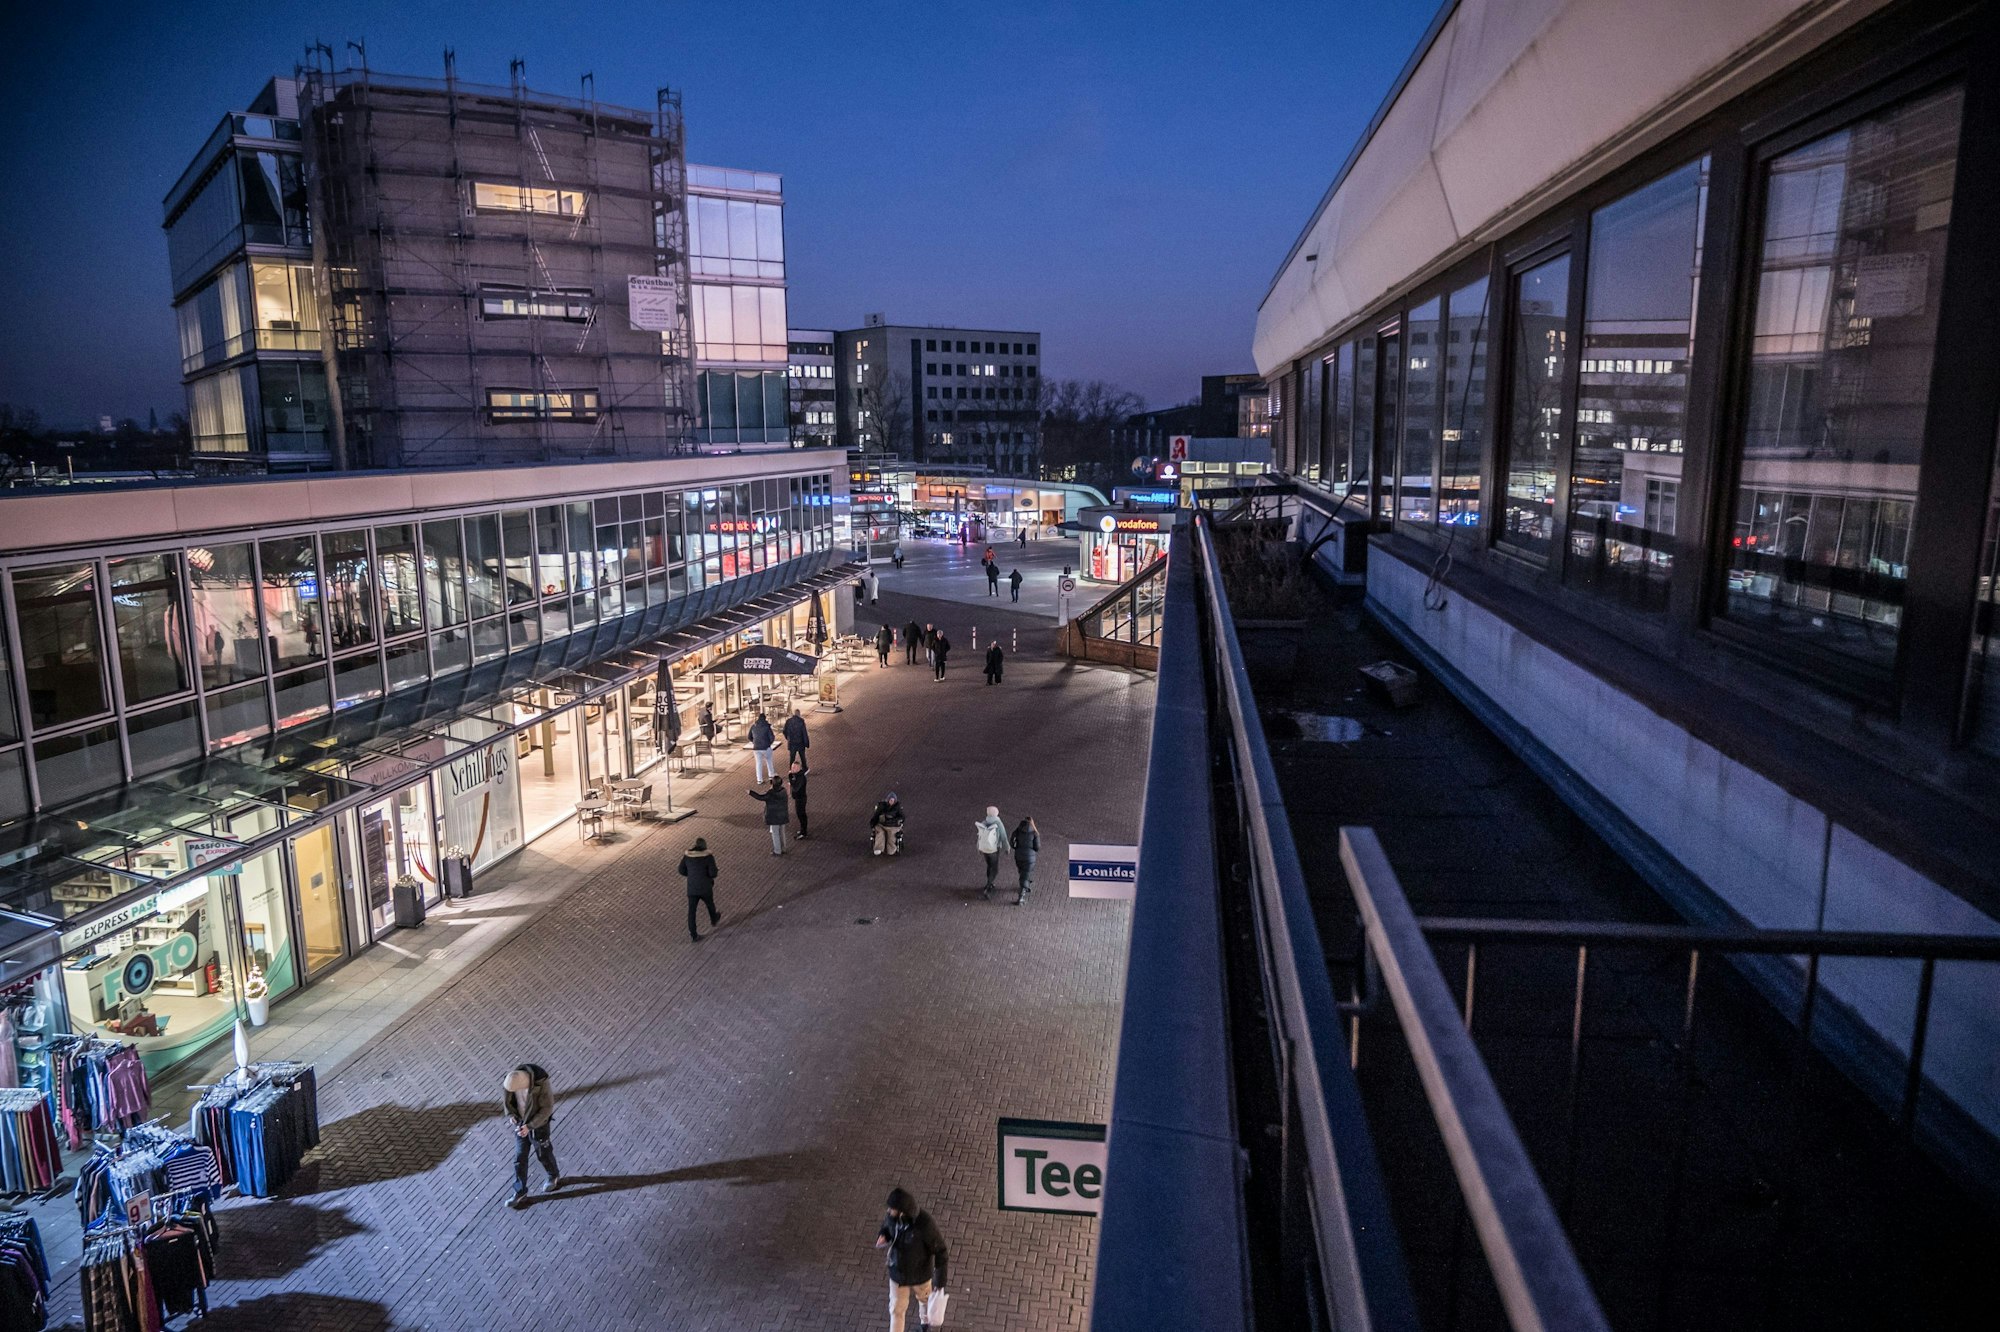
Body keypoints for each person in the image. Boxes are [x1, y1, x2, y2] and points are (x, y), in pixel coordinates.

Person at [876, 1187, 949, 1332]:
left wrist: (939, 1283)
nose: (889, 1211)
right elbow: (886, 1226)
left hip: (920, 1275)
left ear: (902, 1210)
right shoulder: (892, 1217)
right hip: (898, 1274)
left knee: (925, 1302)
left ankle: (925, 1325)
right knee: (896, 1309)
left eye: (892, 1209)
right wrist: (883, 1235)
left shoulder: (925, 1224)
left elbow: (941, 1251)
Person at [502, 1064, 559, 1209]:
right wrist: (512, 1115)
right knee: (519, 1158)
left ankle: (553, 1175)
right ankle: (519, 1191)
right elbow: (508, 1102)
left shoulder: (541, 1083)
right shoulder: (511, 1080)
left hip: (538, 1126)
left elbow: (547, 1108)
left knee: (543, 1153)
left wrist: (530, 1126)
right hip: (522, 1125)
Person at [679, 837, 722, 940]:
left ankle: (693, 934)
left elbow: (681, 870)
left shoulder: (687, 856)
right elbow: (713, 873)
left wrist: (691, 875)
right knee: (710, 904)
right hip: (705, 887)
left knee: (692, 911)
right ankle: (714, 918)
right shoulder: (708, 857)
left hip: (692, 888)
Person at [749, 776, 790, 855]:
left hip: (774, 817)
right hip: (783, 815)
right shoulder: (783, 791)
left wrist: (751, 792)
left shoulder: (771, 793)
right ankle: (784, 848)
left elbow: (760, 797)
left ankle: (777, 850)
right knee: (782, 832)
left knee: (775, 834)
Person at [974, 805, 1007, 899]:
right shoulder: (998, 823)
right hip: (993, 850)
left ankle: (989, 883)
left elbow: (980, 837)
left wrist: (978, 848)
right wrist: (1007, 848)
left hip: (984, 850)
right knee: (995, 869)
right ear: (996, 814)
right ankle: (988, 887)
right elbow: (1003, 837)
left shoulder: (983, 822)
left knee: (989, 866)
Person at [1010, 816, 1040, 906]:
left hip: (1018, 856)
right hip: (1030, 858)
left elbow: (1012, 842)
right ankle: (1021, 896)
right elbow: (1037, 847)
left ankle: (1025, 884)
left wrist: (1016, 847)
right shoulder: (1035, 833)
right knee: (1025, 875)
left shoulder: (1017, 831)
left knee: (1022, 872)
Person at [749, 710, 776, 782]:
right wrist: (769, 744)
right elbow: (772, 737)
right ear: (765, 718)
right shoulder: (767, 727)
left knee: (758, 763)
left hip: (756, 748)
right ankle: (771, 775)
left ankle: (759, 779)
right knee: (769, 760)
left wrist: (754, 742)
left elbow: (749, 737)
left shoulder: (753, 726)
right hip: (766, 747)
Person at [789, 758, 811, 840]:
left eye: (795, 768)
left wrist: (791, 778)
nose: (792, 769)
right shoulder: (797, 775)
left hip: (801, 799)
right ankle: (803, 830)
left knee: (801, 815)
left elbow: (795, 788)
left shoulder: (801, 778)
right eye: (792, 767)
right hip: (798, 798)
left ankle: (803, 832)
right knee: (800, 814)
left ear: (800, 768)